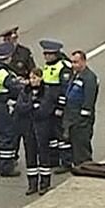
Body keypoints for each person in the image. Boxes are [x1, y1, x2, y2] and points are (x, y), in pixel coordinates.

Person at [0, 26, 35, 167]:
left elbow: (31, 70)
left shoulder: (24, 52)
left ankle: (9, 157)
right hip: (5, 99)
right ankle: (0, 158)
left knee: (11, 131)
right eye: (6, 39)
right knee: (2, 131)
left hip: (14, 99)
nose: (9, 41)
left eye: (11, 39)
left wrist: (27, 83)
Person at [0, 41, 25, 177]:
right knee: (8, 135)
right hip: (6, 105)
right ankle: (6, 166)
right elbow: (15, 88)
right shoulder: (4, 73)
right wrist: (22, 84)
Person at [15, 68, 55, 195]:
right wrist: (32, 105)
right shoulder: (25, 91)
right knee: (30, 155)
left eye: (35, 78)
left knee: (43, 155)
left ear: (41, 78)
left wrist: (31, 109)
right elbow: (20, 107)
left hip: (42, 128)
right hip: (28, 128)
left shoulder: (47, 91)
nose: (33, 81)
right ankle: (32, 184)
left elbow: (45, 110)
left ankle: (45, 183)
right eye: (31, 78)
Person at [39, 39, 73, 172]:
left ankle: (66, 161)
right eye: (45, 54)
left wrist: (60, 107)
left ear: (55, 54)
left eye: (48, 54)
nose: (46, 57)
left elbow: (65, 89)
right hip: (48, 105)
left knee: (61, 134)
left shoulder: (63, 67)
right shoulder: (48, 65)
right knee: (51, 134)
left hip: (58, 106)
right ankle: (53, 159)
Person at [64, 50, 99, 166]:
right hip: (73, 117)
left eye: (76, 62)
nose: (74, 65)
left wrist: (83, 119)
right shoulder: (76, 75)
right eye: (72, 62)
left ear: (83, 61)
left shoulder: (89, 78)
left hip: (82, 120)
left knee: (82, 147)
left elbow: (89, 100)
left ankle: (86, 167)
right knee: (75, 147)